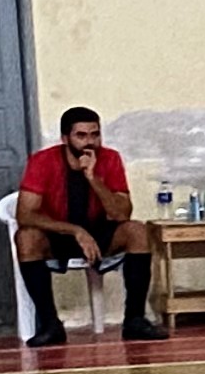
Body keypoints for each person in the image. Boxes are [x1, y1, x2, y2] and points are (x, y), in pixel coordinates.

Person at [14, 105, 167, 346]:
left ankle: (135, 320)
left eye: (95, 134)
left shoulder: (110, 158)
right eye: (81, 135)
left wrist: (93, 178)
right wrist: (76, 231)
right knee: (26, 238)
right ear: (65, 138)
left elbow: (122, 214)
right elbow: (24, 215)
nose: (90, 142)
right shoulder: (43, 161)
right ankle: (50, 324)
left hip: (99, 231)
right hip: (58, 232)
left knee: (137, 231)